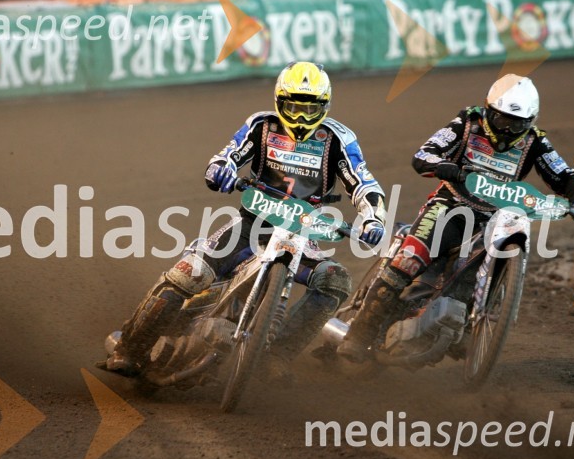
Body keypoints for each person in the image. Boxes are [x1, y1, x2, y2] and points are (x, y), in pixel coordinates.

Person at [105, 61, 388, 380]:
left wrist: (372, 218)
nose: (300, 116)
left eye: (310, 109)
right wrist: (220, 169)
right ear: (280, 102)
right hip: (250, 226)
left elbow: (364, 183)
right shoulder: (261, 125)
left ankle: (277, 355)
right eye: (293, 106)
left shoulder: (339, 139)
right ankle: (129, 348)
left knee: (335, 279)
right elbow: (228, 154)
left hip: (300, 233)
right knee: (186, 275)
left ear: (324, 106)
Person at [337, 73, 574, 363]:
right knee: (409, 258)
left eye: (518, 124)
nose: (508, 131)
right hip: (451, 207)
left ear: (531, 122)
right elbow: (424, 154)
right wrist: (445, 167)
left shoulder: (536, 143)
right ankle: (358, 336)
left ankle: (468, 323)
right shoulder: (467, 123)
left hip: (493, 220)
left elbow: (565, 175)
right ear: (488, 111)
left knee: (476, 274)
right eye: (501, 121)